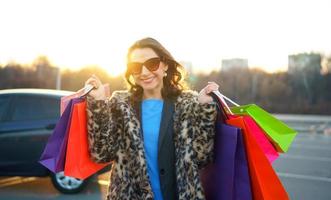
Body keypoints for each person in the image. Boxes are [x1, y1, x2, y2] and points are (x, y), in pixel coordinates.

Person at [85, 37, 219, 200]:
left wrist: (205, 108)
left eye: (152, 63)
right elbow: (101, 154)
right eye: (136, 67)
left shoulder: (189, 104)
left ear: (166, 65)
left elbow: (202, 157)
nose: (144, 72)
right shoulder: (120, 105)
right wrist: (98, 105)